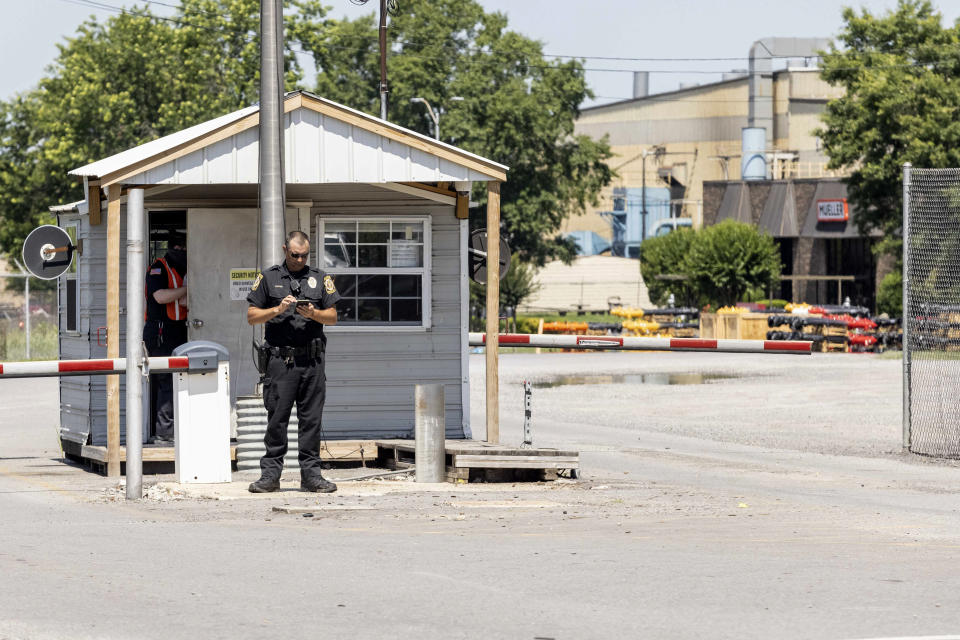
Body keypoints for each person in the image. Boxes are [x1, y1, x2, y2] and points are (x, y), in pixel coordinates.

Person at [246, 230, 340, 493]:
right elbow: (252, 316)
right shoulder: (269, 277)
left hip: (312, 361)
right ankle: (270, 476)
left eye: (304, 255)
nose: (299, 259)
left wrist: (314, 313)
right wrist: (277, 309)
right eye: (295, 254)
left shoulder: (320, 278)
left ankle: (311, 477)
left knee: (311, 420)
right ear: (285, 249)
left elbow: (332, 317)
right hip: (280, 361)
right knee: (277, 419)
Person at [144, 232, 188, 444]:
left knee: (180, 380)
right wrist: (186, 291)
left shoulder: (185, 268)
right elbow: (160, 297)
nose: (181, 252)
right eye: (177, 248)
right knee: (166, 381)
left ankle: (175, 430)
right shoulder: (158, 268)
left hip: (180, 330)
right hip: (160, 333)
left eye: (184, 248)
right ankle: (164, 433)